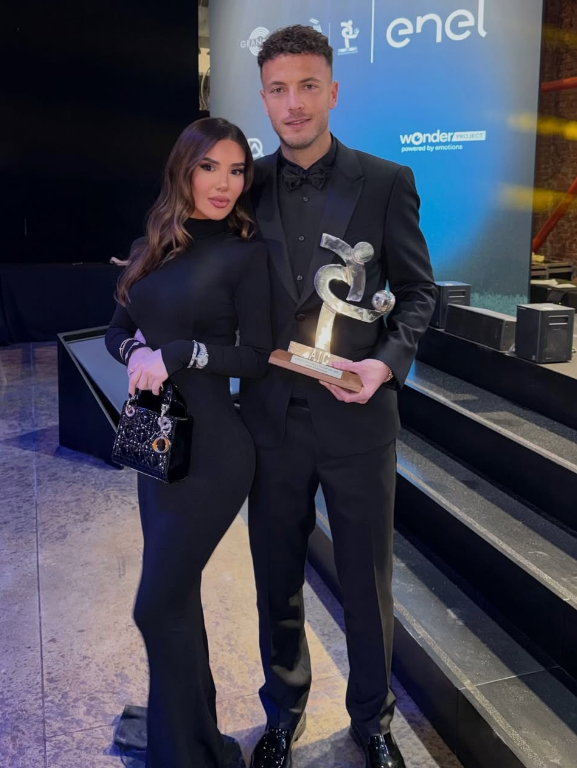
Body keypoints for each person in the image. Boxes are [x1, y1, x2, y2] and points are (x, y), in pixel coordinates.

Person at [240, 26, 437, 768]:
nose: (293, 103)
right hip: (268, 418)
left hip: (358, 418)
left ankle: (373, 721)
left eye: (307, 86)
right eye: (279, 89)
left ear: (332, 91)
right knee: (275, 579)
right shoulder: (243, 186)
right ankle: (282, 713)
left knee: (366, 580)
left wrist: (385, 365)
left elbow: (417, 292)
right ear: (264, 98)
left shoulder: (384, 181)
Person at [105, 117, 271, 768]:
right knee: (178, 602)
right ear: (184, 169)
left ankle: (184, 752)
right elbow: (116, 328)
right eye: (209, 168)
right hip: (156, 441)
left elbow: (256, 357)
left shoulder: (246, 253)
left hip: (215, 454)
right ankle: (190, 740)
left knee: (156, 607)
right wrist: (137, 353)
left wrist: (178, 352)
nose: (224, 184)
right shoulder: (152, 245)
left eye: (236, 171)